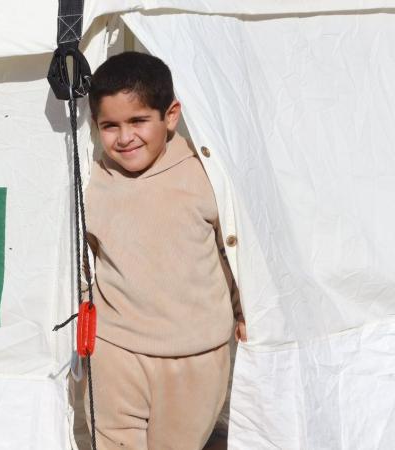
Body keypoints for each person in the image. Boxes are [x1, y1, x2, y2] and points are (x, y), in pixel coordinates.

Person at [82, 51, 246, 450]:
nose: (124, 137)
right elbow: (85, 259)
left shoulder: (203, 171)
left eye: (138, 121)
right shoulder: (93, 179)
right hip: (115, 347)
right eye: (110, 126)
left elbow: (232, 251)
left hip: (195, 353)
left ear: (170, 116)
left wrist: (243, 310)